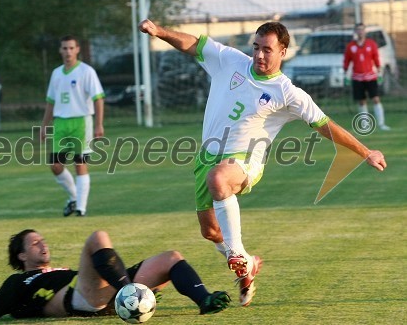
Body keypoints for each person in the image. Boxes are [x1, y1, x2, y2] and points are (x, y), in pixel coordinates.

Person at [139, 19, 387, 307]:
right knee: (210, 231)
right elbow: (194, 44)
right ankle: (247, 266)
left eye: (267, 50)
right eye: (256, 47)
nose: (259, 55)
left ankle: (237, 254)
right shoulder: (230, 60)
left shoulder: (288, 92)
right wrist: (160, 32)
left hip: (246, 162)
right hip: (207, 156)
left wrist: (365, 151)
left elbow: (325, 125)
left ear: (283, 51)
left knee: (219, 180)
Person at [0, 229, 231, 321]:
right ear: (22, 256)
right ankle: (130, 294)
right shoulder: (19, 281)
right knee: (97, 238)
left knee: (171, 258)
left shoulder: (61, 269)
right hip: (77, 299)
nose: (43, 244)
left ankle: (204, 299)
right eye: (35, 242)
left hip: (100, 292)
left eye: (43, 240)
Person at [40, 35, 105, 217]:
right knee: (55, 165)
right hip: (60, 123)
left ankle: (81, 209)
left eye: (71, 48)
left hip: (81, 122)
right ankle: (74, 197)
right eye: (64, 48)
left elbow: (98, 99)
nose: (68, 52)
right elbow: (51, 102)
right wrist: (44, 125)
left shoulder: (86, 71)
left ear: (77, 50)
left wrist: (99, 124)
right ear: (60, 50)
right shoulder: (56, 73)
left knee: (80, 164)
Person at [344, 23, 390, 130]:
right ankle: (365, 125)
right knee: (361, 101)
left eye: (362, 30)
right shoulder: (351, 46)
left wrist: (379, 70)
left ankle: (381, 124)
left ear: (365, 31)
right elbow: (347, 61)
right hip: (357, 77)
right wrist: (346, 74)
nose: (360, 32)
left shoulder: (371, 44)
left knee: (375, 99)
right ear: (355, 32)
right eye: (358, 30)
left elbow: (376, 58)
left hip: (370, 77)